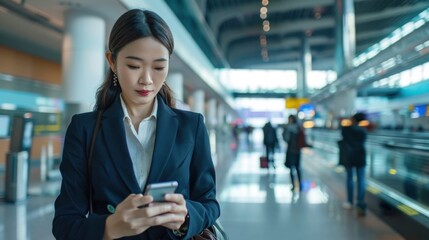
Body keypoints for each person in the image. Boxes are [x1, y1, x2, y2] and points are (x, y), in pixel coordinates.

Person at [52, 9, 220, 239]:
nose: (147, 80)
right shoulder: (85, 129)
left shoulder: (191, 127)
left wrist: (186, 216)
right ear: (112, 61)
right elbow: (64, 223)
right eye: (133, 66)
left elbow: (209, 203)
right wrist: (109, 228)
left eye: (159, 67)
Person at [341, 112, 367, 216]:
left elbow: (342, 134)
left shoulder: (347, 130)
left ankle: (350, 201)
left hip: (349, 157)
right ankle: (360, 202)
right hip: (360, 157)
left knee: (350, 179)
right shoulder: (363, 131)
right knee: (361, 180)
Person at [282, 115, 303, 191]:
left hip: (292, 150)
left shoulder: (289, 128)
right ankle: (297, 184)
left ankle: (296, 185)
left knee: (294, 168)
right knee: (295, 168)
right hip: (295, 150)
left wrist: (285, 129)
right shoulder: (298, 128)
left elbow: (285, 139)